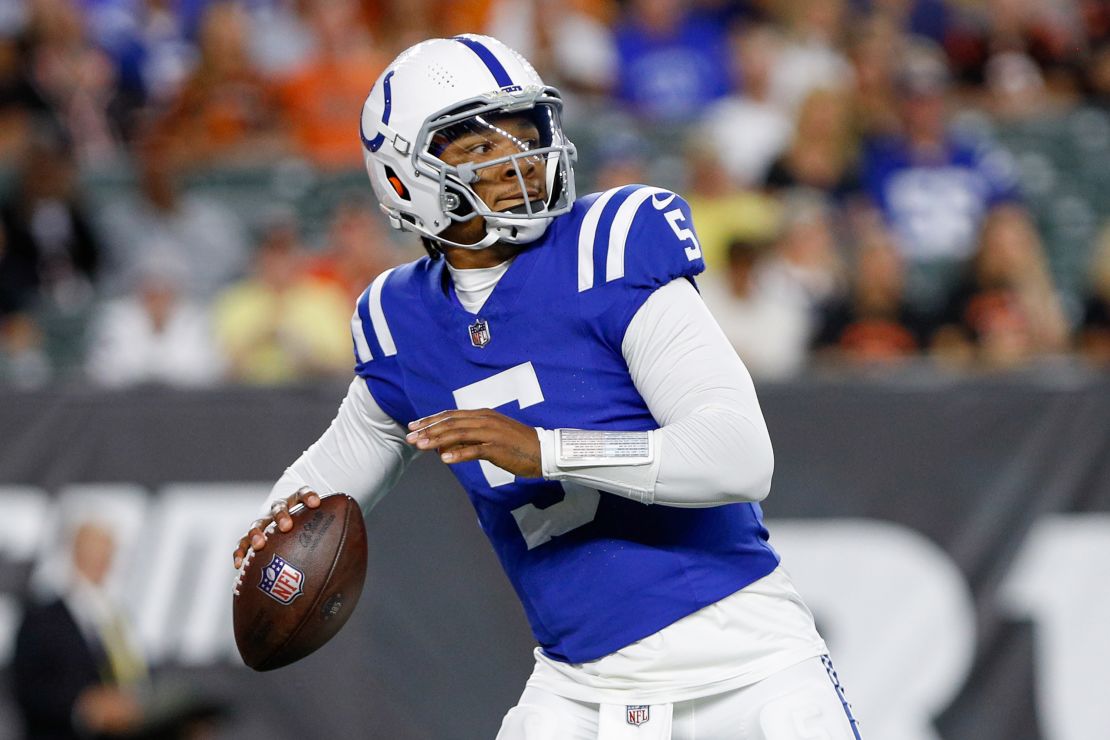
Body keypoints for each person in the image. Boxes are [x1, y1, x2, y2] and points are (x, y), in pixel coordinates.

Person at [233, 35, 861, 739]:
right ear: (401, 176)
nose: (513, 160)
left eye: (523, 133)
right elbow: (336, 468)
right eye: (472, 147)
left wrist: (547, 449)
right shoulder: (398, 319)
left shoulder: (610, 243)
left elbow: (740, 456)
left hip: (743, 662)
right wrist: (272, 528)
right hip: (579, 685)